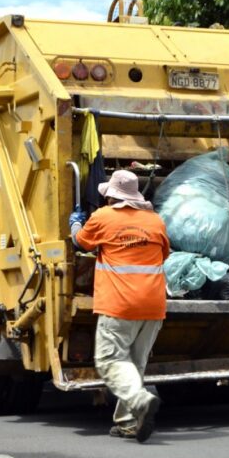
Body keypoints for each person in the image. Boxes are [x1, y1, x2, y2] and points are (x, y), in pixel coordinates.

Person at [69, 170, 170, 443]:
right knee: (135, 363)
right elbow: (163, 255)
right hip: (153, 305)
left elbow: (80, 243)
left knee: (110, 360)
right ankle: (127, 423)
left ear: (111, 196)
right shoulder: (156, 222)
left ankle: (139, 399)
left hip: (119, 304)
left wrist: (76, 224)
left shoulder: (103, 217)